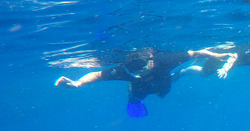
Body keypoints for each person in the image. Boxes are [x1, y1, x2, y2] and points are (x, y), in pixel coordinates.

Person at [55, 47, 235, 117]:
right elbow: (98, 75)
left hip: (163, 79)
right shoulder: (124, 70)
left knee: (163, 93)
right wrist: (79, 82)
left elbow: (196, 52)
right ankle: (132, 95)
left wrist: (216, 55)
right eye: (133, 72)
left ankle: (181, 73)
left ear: (151, 61)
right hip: (141, 89)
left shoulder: (166, 59)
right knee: (134, 97)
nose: (138, 74)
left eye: (141, 70)